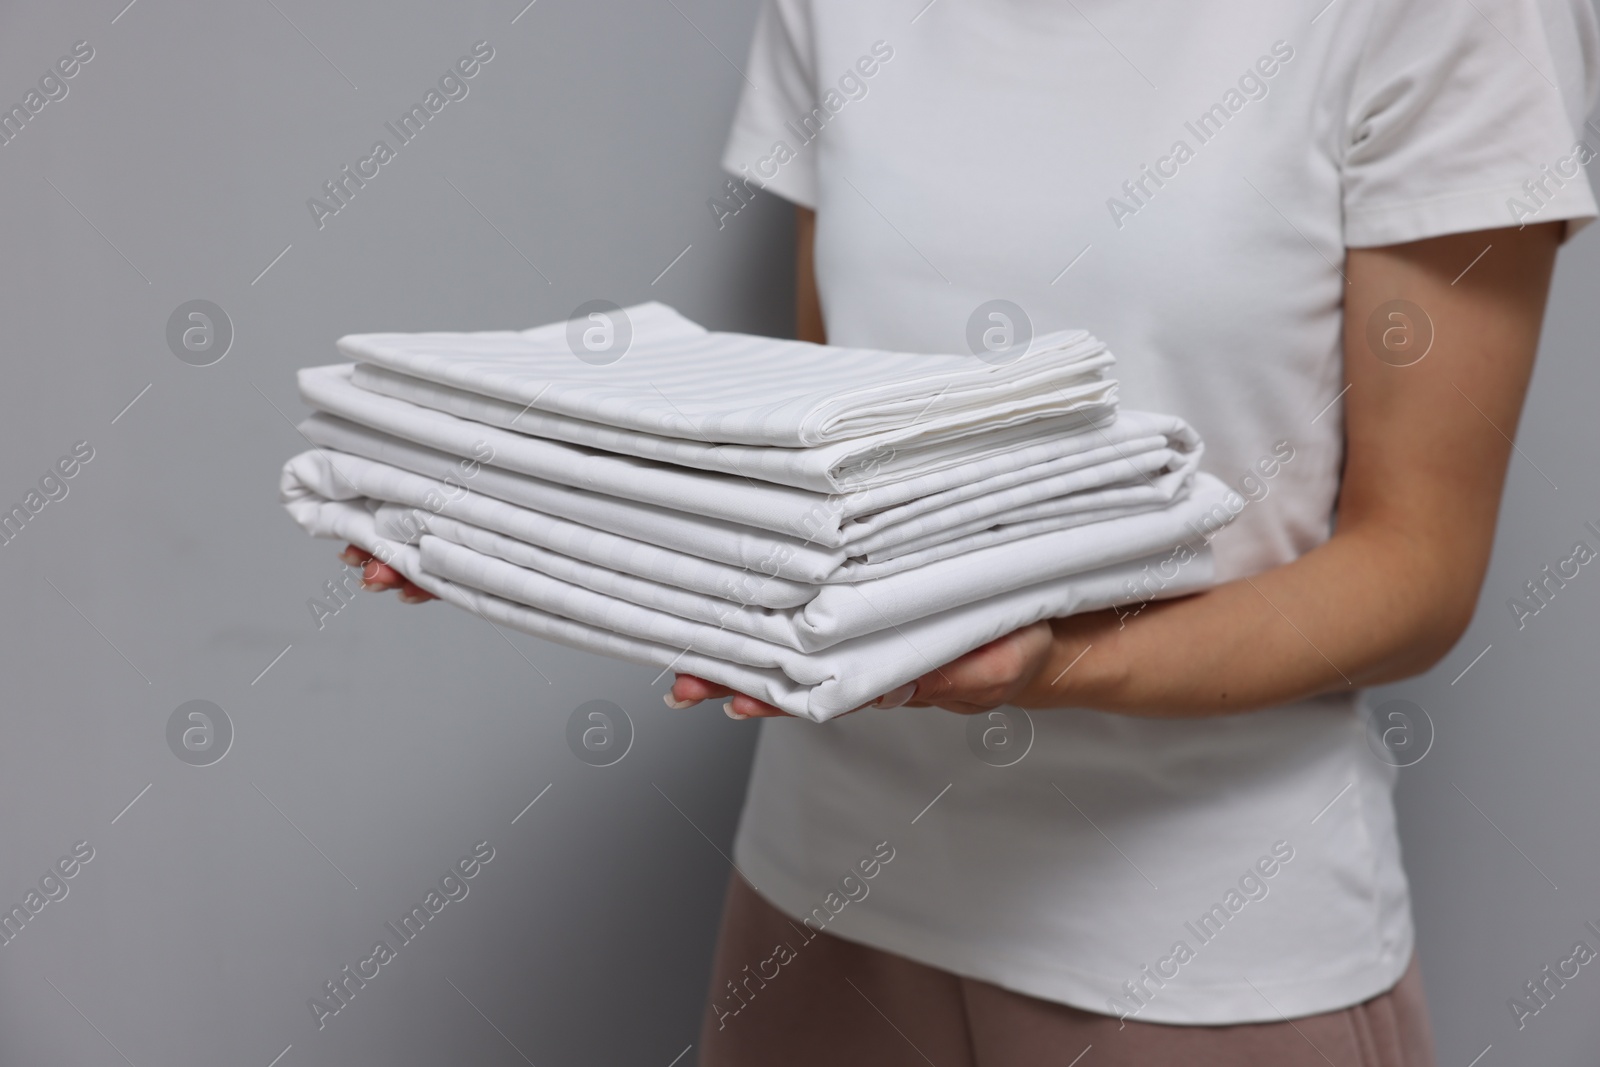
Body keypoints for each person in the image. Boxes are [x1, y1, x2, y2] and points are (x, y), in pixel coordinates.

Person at [348, 0, 1599, 1062]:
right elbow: (822, 444)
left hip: (1198, 951)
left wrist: (1058, 663)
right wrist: (526, 520)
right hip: (815, 901)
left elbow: (1416, 565)